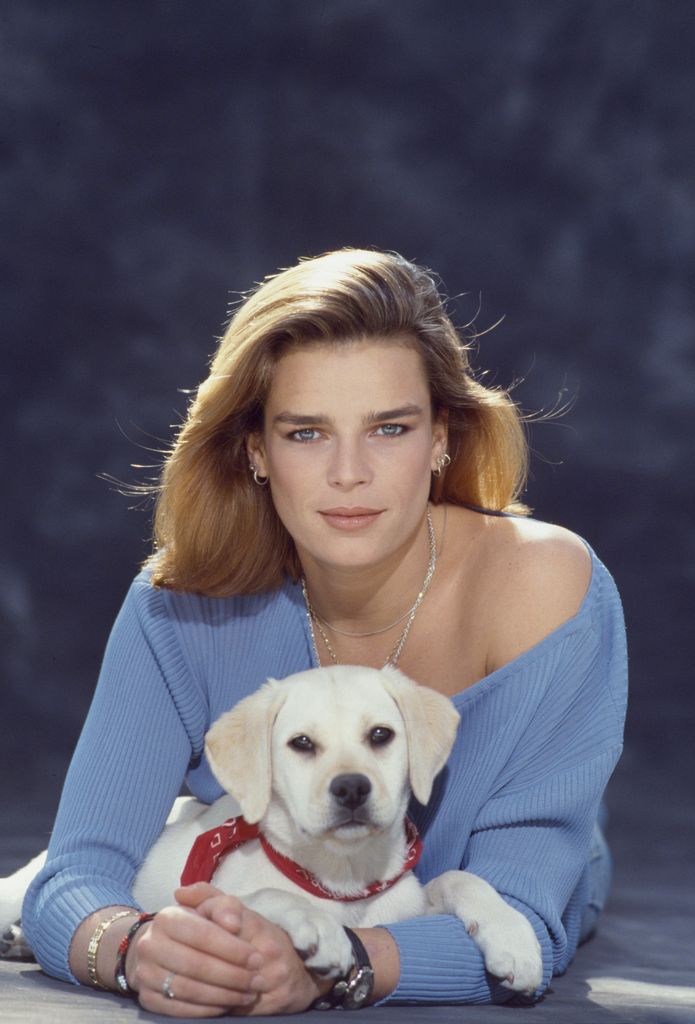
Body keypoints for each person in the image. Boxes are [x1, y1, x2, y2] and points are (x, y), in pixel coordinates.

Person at [21, 248, 627, 1016]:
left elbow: (526, 930)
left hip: (486, 880)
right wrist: (136, 948)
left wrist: (334, 966)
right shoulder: (180, 602)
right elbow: (77, 882)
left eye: (389, 428)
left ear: (440, 436)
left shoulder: (546, 585)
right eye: (306, 433)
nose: (349, 472)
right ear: (256, 451)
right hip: (271, 882)